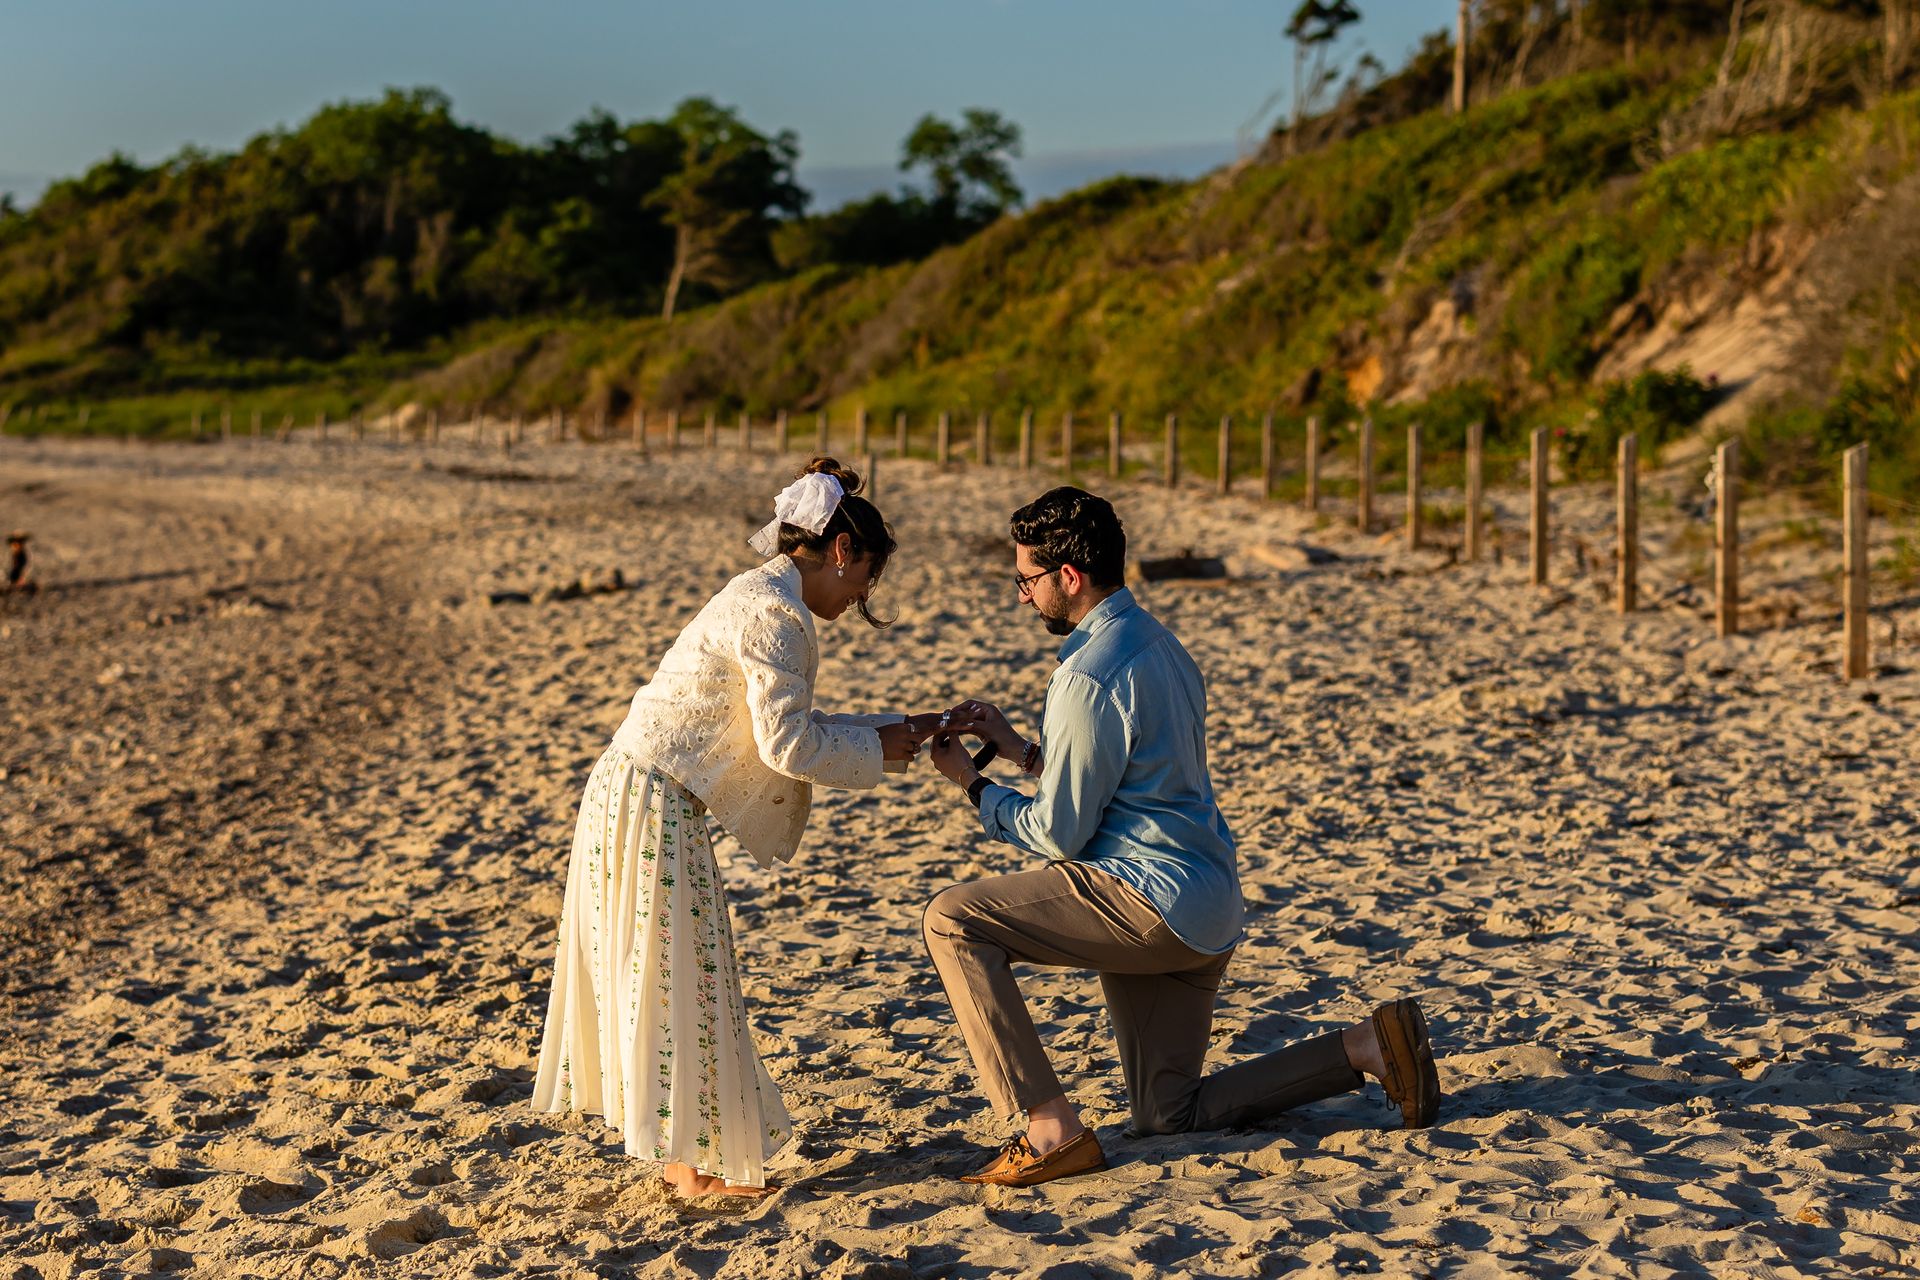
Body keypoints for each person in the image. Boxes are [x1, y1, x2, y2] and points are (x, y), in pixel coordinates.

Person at [923, 486, 1440, 1188]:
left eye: (1026, 580)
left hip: (1147, 901)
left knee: (953, 920)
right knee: (1168, 1113)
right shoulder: (1159, 643)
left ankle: (1049, 1129)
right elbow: (1127, 780)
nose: (1022, 596)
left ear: (1067, 578)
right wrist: (1018, 750)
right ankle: (1365, 1047)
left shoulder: (1084, 675)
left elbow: (1059, 834)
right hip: (1207, 905)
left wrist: (973, 787)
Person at [533, 458, 945, 1198]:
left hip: (640, 791)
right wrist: (882, 745)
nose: (860, 598)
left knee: (673, 973)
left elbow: (781, 728)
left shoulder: (762, 595)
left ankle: (685, 1162)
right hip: (651, 798)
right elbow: (786, 745)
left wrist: (891, 733)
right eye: (864, 580)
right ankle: (690, 1173)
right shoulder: (774, 611)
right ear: (842, 552)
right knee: (680, 975)